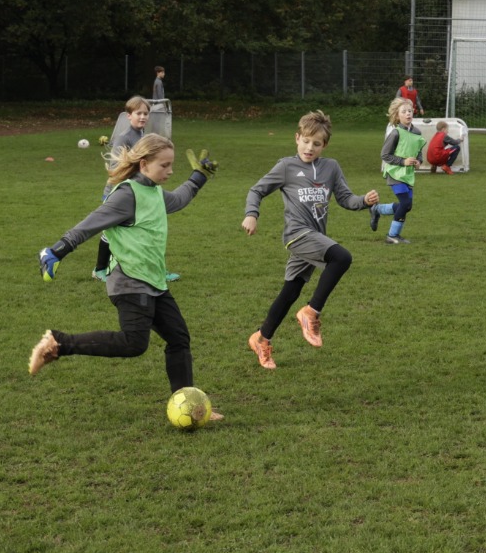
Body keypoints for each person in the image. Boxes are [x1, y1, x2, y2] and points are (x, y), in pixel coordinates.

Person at [29, 135, 219, 409]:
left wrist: (199, 176)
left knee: (179, 339)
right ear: (144, 164)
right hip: (130, 281)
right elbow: (91, 224)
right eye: (164, 165)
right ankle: (58, 343)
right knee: (134, 343)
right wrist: (57, 251)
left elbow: (178, 200)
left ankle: (187, 405)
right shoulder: (127, 195)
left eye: (171, 165)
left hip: (153, 281)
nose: (170, 171)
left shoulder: (154, 191)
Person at [242, 111, 381, 368]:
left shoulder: (331, 167)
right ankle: (311, 312)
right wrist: (252, 214)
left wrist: (363, 200)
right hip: (297, 235)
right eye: (306, 141)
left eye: (316, 144)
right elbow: (256, 190)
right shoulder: (286, 167)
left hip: (316, 237)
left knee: (290, 292)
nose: (309, 148)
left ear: (324, 145)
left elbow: (345, 198)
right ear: (297, 138)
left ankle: (261, 339)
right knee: (341, 257)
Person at [94, 96, 152, 280]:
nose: (142, 117)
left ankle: (149, 269)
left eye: (145, 113)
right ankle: (99, 270)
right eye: (138, 113)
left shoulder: (143, 134)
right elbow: (115, 167)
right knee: (110, 231)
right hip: (117, 192)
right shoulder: (124, 137)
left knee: (142, 229)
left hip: (136, 191)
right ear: (129, 115)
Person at [370, 96, 424, 244]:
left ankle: (377, 209)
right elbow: (385, 155)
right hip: (394, 174)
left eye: (410, 111)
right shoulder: (395, 133)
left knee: (407, 206)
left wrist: (419, 161)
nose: (408, 114)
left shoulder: (417, 133)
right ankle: (392, 235)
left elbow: (418, 151)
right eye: (404, 111)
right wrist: (402, 161)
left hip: (408, 175)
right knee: (405, 204)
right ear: (397, 116)